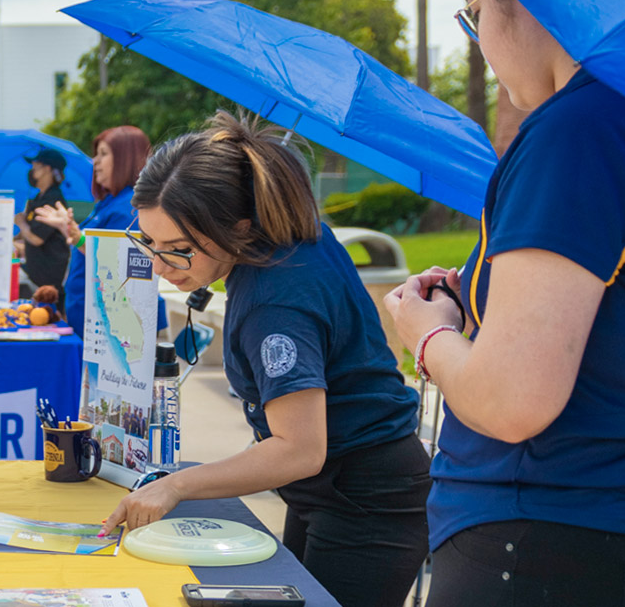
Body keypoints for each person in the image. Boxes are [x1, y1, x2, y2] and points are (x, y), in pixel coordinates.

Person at [384, 0, 625, 607]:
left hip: (539, 536)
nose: (480, 39)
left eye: (473, 13)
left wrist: (427, 334)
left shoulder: (576, 133)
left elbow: (511, 401)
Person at [102, 112, 430, 607]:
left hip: (365, 500)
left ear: (237, 225)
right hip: (337, 488)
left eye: (180, 249)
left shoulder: (275, 301)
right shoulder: (286, 240)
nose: (160, 264)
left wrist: (176, 486)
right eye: (148, 242)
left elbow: (298, 449)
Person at [34, 125, 167, 337]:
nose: (95, 161)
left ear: (126, 158)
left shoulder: (130, 207)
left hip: (116, 328)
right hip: (93, 318)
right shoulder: (110, 202)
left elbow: (117, 258)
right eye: (96, 154)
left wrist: (77, 238)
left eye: (103, 154)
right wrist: (68, 229)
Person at [14, 148, 70, 305]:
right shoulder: (38, 197)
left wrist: (21, 223)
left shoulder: (53, 200)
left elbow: (37, 238)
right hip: (35, 272)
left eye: (35, 167)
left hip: (48, 279)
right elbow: (27, 234)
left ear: (47, 169)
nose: (31, 172)